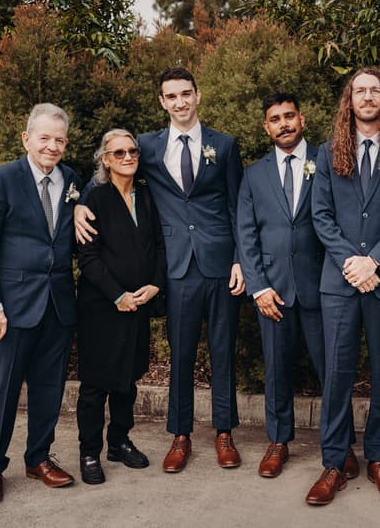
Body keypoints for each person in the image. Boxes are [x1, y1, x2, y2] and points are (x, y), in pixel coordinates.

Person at [75, 67, 245, 473]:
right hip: (177, 267)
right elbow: (111, 169)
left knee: (223, 352)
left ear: (197, 96)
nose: (180, 102)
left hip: (221, 264)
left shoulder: (225, 145)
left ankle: (224, 432)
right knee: (181, 354)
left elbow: (240, 206)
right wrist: (80, 201)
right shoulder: (147, 147)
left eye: (186, 94)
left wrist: (242, 259)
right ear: (162, 102)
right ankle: (180, 434)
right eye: (171, 96)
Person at [306, 67, 380, 505]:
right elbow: (321, 216)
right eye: (360, 90)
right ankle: (334, 463)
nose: (368, 96)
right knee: (337, 376)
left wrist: (374, 261)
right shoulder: (328, 151)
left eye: (375, 90)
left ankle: (379, 459)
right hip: (338, 284)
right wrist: (350, 263)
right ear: (349, 101)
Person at [236, 91, 358, 480]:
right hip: (273, 289)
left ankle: (341, 445)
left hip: (325, 286)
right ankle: (278, 441)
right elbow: (246, 233)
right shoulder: (253, 174)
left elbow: (344, 221)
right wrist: (258, 287)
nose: (284, 124)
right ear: (266, 127)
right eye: (275, 118)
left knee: (333, 370)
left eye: (289, 116)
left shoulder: (329, 162)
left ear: (302, 119)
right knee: (276, 370)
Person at [0, 103, 80, 503]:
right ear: (26, 139)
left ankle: (39, 459)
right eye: (45, 138)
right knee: (3, 390)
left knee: (49, 389)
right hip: (11, 308)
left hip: (58, 304)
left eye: (60, 140)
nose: (52, 146)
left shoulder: (72, 180)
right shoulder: (2, 180)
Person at [75, 129, 166, 485]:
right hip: (102, 306)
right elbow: (88, 257)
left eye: (132, 151)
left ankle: (119, 441)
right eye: (118, 153)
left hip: (140, 302)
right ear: (105, 160)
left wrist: (155, 284)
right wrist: (117, 295)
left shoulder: (145, 194)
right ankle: (88, 450)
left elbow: (159, 244)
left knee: (127, 380)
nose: (128, 157)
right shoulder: (95, 199)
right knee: (96, 384)